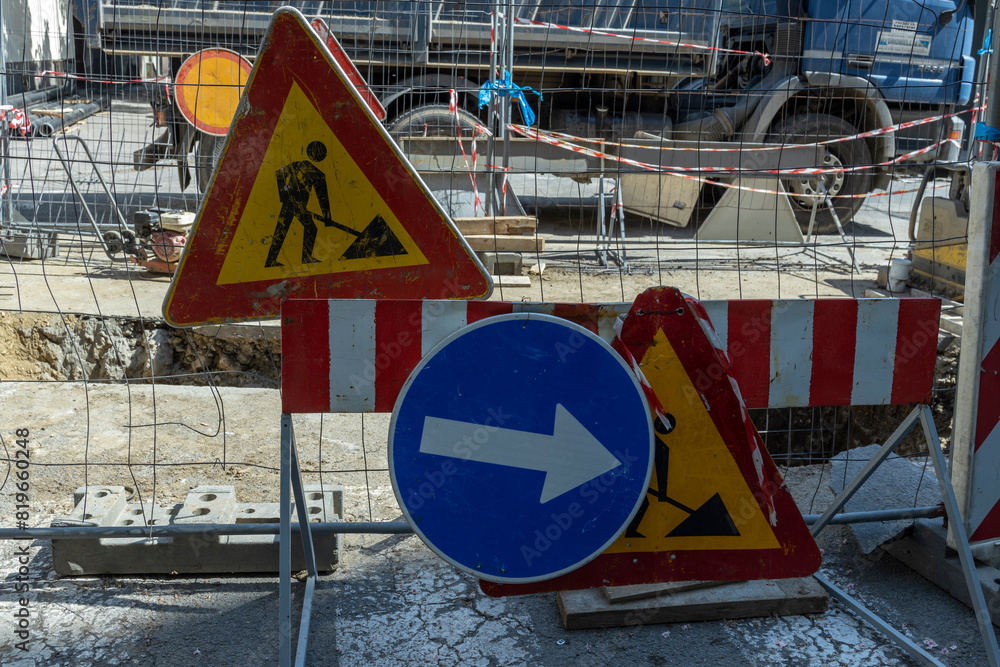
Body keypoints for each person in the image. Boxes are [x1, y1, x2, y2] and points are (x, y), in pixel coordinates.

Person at [265, 140, 331, 268]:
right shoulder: (313, 171)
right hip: (292, 204)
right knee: (306, 228)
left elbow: (323, 197)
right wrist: (285, 196)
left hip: (296, 205)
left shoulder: (303, 167)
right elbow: (279, 173)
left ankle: (271, 260)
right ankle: (304, 258)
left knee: (282, 229)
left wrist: (327, 217)